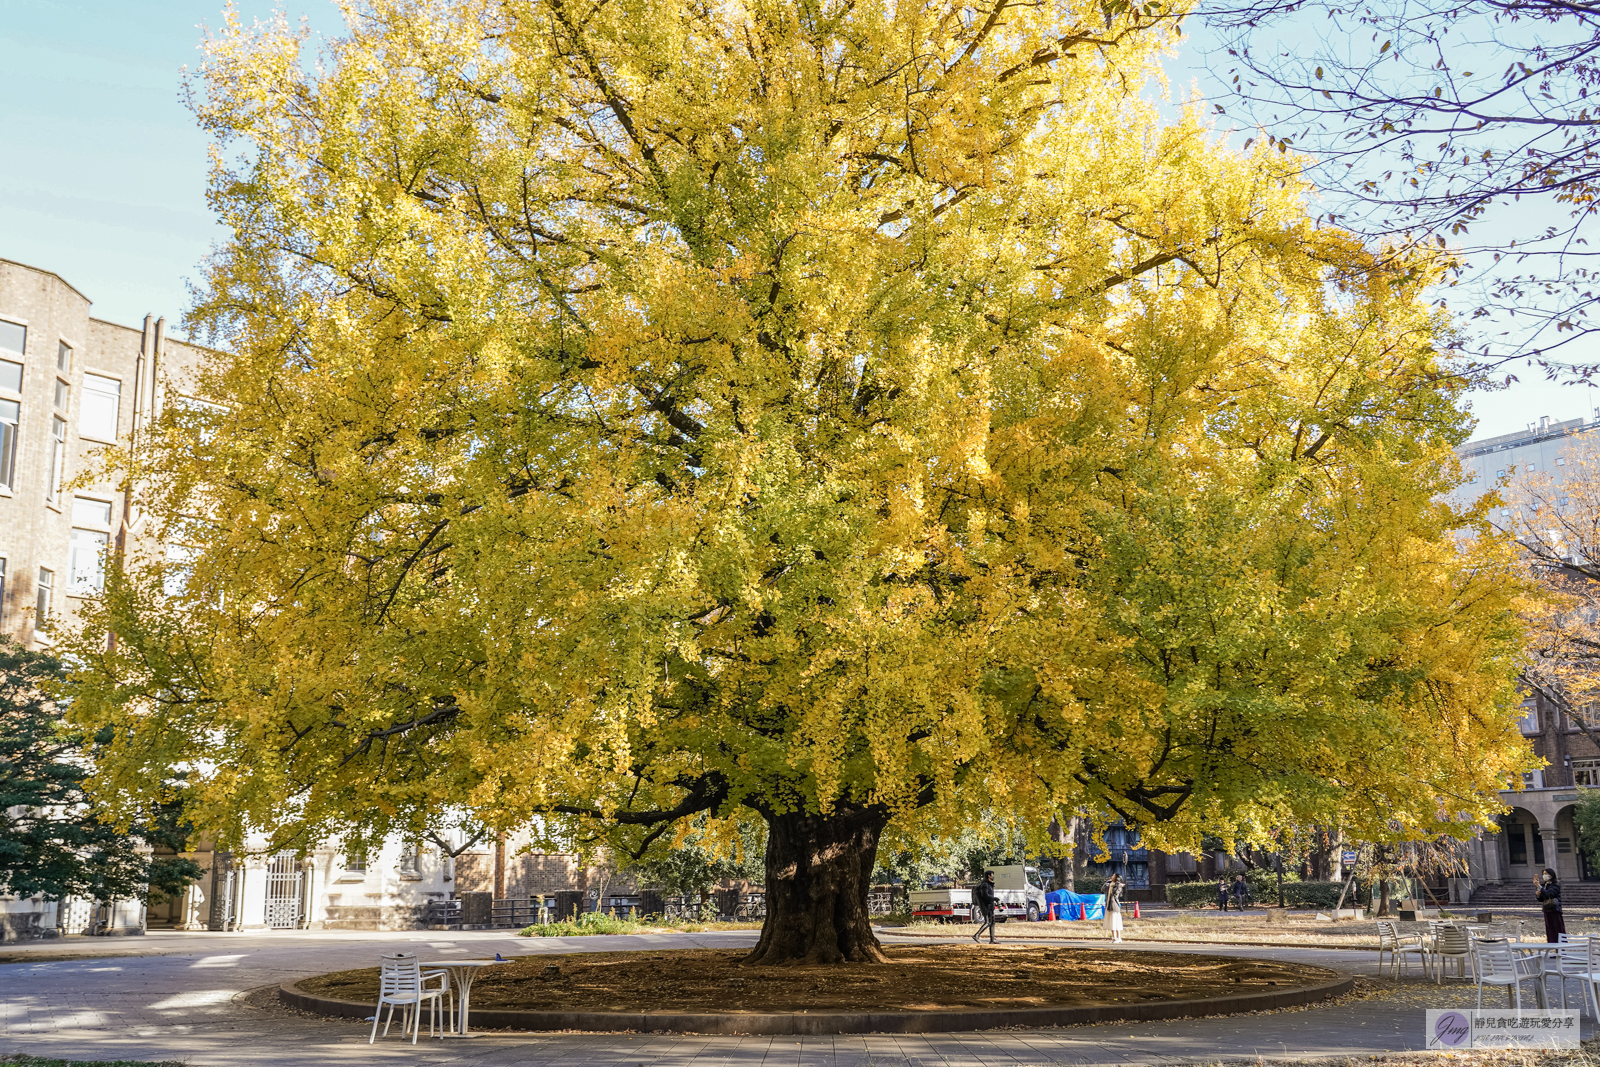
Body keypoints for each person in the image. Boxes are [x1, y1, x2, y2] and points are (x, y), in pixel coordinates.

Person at [1537, 867, 1566, 943]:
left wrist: (1539, 887)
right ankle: (1552, 946)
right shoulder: (1544, 885)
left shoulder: (1555, 884)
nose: (1544, 875)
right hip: (1547, 909)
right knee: (1550, 930)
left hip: (1555, 909)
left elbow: (1550, 894)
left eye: (1546, 874)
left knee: (1558, 929)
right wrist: (1538, 894)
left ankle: (1561, 949)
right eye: (1543, 874)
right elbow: (1541, 899)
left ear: (1551, 875)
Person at [972, 870, 998, 944]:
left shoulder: (989, 884)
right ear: (989, 876)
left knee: (992, 922)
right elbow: (985, 895)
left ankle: (992, 939)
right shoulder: (985, 884)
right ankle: (976, 935)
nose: (993, 876)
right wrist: (994, 898)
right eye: (992, 875)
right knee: (988, 922)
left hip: (990, 905)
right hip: (986, 906)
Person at [1104, 873, 1125, 943]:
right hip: (1108, 905)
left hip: (1114, 906)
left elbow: (1115, 893)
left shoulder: (1118, 886)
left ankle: (1119, 938)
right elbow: (1103, 889)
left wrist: (1116, 885)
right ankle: (1113, 938)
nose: (1111, 876)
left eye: (1113, 875)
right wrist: (1108, 883)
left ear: (1116, 878)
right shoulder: (1109, 884)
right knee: (1111, 922)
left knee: (1116, 922)